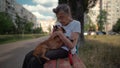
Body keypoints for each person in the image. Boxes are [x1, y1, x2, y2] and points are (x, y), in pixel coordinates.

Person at [22, 4, 81, 68]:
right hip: (52, 47)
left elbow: (71, 46)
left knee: (36, 60)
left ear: (68, 14)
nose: (60, 20)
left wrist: (60, 34)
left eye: (62, 17)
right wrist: (52, 36)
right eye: (58, 18)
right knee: (28, 56)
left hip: (65, 50)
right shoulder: (58, 24)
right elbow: (51, 39)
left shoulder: (76, 24)